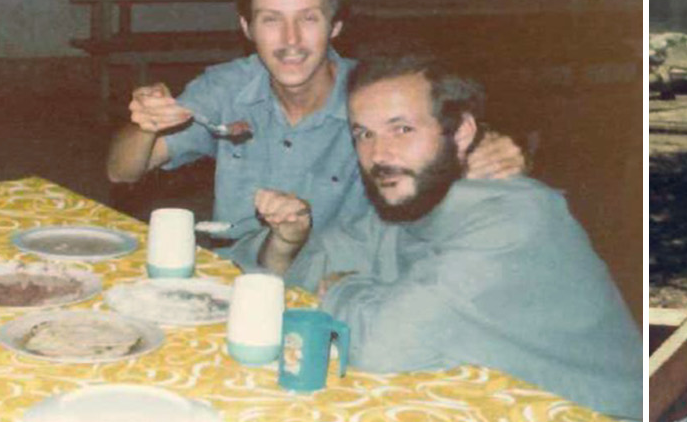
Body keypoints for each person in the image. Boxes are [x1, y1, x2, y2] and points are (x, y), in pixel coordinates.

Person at [250, 52, 640, 418]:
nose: (379, 154)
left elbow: (384, 345)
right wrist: (286, 245)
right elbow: (297, 277)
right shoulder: (409, 201)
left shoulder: (516, 220)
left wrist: (340, 289)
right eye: (363, 134)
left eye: (401, 129)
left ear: (461, 133)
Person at [104, 0, 527, 269]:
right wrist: (144, 125)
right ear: (247, 29)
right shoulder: (226, 88)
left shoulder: (374, 97)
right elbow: (121, 172)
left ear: (336, 26)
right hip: (237, 279)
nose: (291, 40)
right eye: (271, 20)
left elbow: (454, 148)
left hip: (341, 285)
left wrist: (489, 149)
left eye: (308, 19)